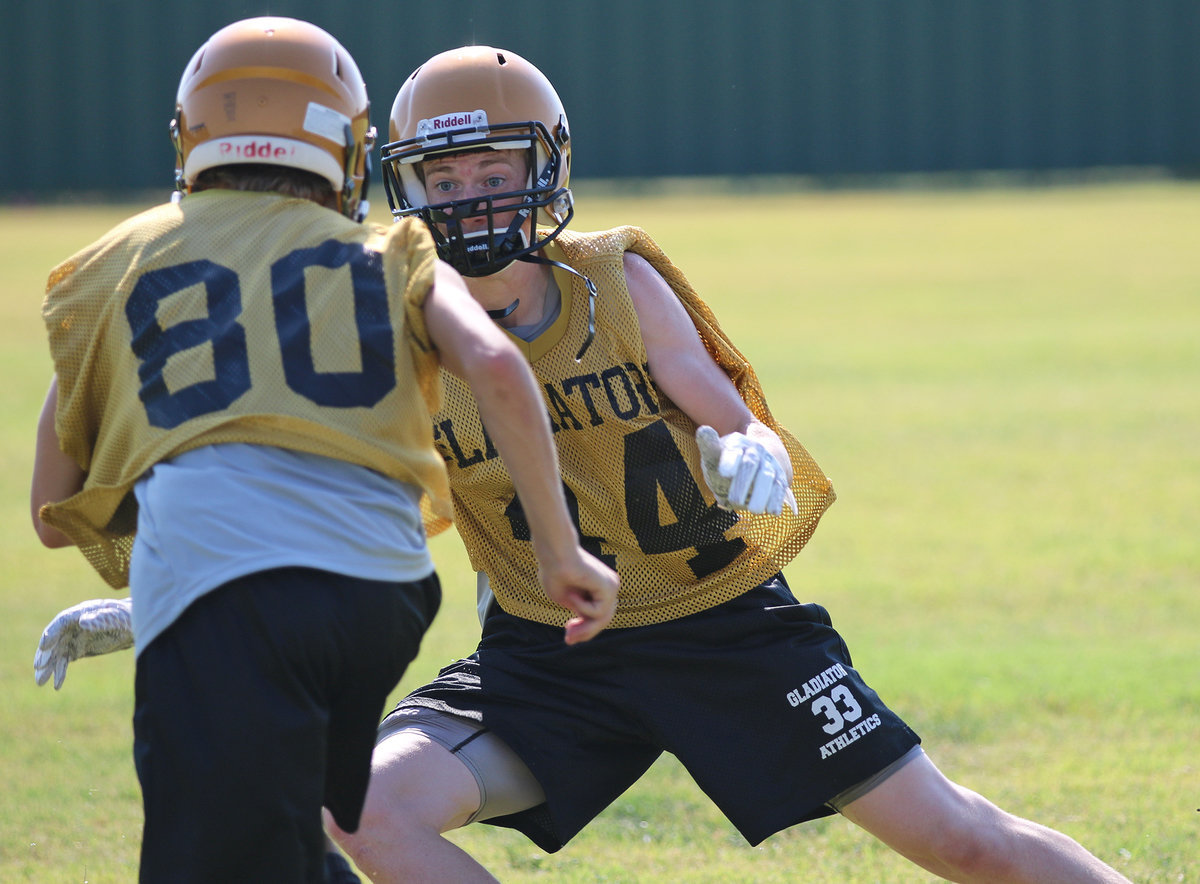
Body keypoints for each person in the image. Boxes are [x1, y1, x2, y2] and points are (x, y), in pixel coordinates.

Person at [36, 44, 1132, 884]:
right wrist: (173, 586)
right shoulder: (406, 319)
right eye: (445, 170)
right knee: (361, 805)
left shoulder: (611, 277)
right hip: (547, 654)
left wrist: (744, 448)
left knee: (964, 841)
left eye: (493, 164)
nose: (470, 192)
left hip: (723, 625)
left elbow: (721, 410)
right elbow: (376, 502)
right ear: (400, 185)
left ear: (545, 165)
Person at [29, 23, 617, 884]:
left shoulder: (121, 260)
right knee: (276, 826)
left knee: (207, 854)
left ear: (191, 139)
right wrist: (560, 550)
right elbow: (494, 362)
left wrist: (163, 580)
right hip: (380, 598)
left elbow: (55, 505)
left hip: (224, 599)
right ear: (346, 147)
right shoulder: (393, 250)